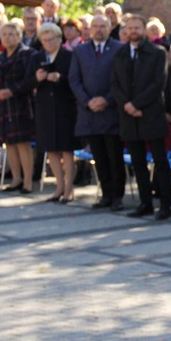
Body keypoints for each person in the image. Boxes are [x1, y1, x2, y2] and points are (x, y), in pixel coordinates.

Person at [111, 14, 171, 221]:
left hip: (151, 114)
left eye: (137, 27)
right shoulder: (120, 53)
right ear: (125, 31)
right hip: (128, 117)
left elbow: (158, 83)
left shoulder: (157, 52)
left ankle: (165, 205)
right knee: (137, 162)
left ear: (144, 29)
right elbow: (115, 84)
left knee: (159, 161)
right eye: (130, 28)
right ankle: (145, 203)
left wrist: (137, 104)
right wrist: (127, 106)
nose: (133, 31)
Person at [68, 15, 126, 210]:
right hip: (90, 114)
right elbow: (74, 79)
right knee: (99, 157)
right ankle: (106, 195)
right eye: (95, 26)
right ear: (89, 29)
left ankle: (118, 196)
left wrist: (107, 100)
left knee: (114, 157)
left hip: (112, 114)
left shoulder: (119, 48)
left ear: (110, 28)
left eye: (103, 26)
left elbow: (123, 79)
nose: (99, 29)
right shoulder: (80, 50)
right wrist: (87, 101)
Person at [29, 23, 81, 202]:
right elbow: (28, 81)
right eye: (44, 40)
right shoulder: (36, 57)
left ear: (59, 39)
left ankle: (69, 188)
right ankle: (58, 187)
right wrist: (38, 79)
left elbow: (76, 79)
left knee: (66, 149)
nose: (48, 43)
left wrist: (61, 78)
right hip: (44, 108)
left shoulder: (69, 56)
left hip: (65, 107)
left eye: (51, 39)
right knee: (50, 148)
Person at [0, 22, 35, 193]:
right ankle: (16, 179)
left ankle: (28, 182)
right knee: (10, 143)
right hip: (1, 105)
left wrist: (11, 91)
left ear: (19, 36)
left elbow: (30, 79)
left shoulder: (27, 54)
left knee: (22, 143)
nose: (7, 37)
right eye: (4, 34)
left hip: (20, 104)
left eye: (11, 34)